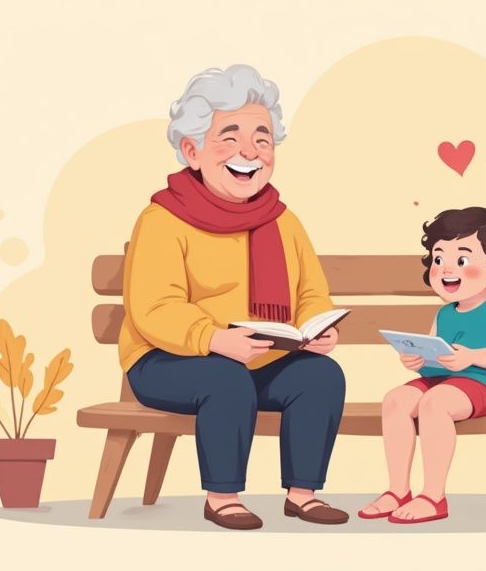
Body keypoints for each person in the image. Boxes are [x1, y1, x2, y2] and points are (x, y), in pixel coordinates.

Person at [119, 65, 349, 530]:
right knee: (225, 380)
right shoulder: (163, 220)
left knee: (321, 375)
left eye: (262, 139)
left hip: (260, 359)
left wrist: (318, 328)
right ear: (192, 149)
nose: (250, 151)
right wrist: (215, 338)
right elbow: (153, 309)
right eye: (230, 137)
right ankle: (222, 496)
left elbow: (309, 291)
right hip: (167, 360)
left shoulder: (282, 221)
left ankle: (302, 494)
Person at [358, 207, 486, 524]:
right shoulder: (445, 313)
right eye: (439, 259)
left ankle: (433, 496)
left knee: (434, 403)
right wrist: (417, 360)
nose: (446, 269)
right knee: (396, 399)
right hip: (449, 379)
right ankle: (398, 490)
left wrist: (472, 357)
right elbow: (437, 355)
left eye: (462, 260)